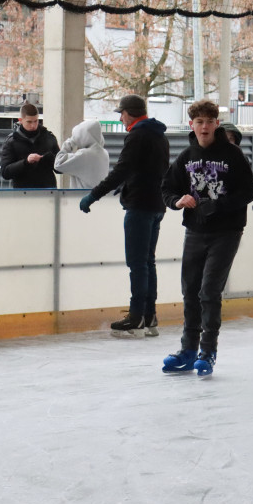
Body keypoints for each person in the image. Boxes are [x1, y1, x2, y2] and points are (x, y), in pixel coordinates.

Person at [160, 100, 253, 376]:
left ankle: (207, 350)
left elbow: (247, 193)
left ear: (216, 124)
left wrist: (219, 205)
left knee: (209, 291)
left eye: (209, 122)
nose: (204, 127)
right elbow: (166, 189)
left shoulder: (234, 155)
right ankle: (188, 349)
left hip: (226, 232)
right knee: (190, 290)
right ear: (192, 125)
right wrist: (178, 201)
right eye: (199, 122)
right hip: (195, 231)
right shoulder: (186, 156)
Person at [79, 95, 170, 337]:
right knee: (148, 262)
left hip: (139, 206)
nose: (120, 118)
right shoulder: (159, 135)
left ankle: (136, 316)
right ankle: (149, 316)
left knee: (137, 264)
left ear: (130, 113)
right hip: (156, 204)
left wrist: (93, 195)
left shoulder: (137, 134)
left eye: (121, 113)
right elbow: (150, 170)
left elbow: (122, 169)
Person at [0, 102, 59, 188]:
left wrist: (51, 159)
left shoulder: (48, 137)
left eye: (36, 121)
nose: (33, 125)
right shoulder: (11, 141)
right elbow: (5, 173)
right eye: (29, 122)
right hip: (23, 193)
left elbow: (60, 168)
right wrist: (26, 162)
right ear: (20, 120)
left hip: (48, 191)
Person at [53, 119, 110, 189]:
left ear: (84, 137)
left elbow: (58, 164)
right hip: (98, 197)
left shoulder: (84, 155)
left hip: (81, 197)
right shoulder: (104, 153)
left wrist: (69, 142)